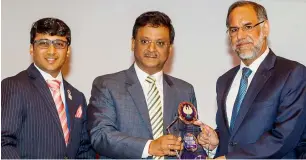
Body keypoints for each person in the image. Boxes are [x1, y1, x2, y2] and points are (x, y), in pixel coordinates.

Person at [194, 1, 306, 159]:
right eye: (234, 30)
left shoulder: (292, 73)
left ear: (265, 28)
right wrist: (216, 140)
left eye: (248, 27)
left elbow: (284, 138)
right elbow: (235, 133)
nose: (240, 36)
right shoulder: (224, 81)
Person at [87, 11, 204, 159]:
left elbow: (191, 141)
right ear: (132, 43)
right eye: (145, 41)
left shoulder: (185, 90)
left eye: (160, 43)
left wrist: (206, 144)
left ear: (170, 49)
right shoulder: (107, 85)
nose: (152, 49)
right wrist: (150, 147)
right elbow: (100, 136)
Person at [1, 17, 95, 159]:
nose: (52, 51)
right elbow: (4, 141)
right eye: (43, 43)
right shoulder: (14, 86)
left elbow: (84, 148)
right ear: (31, 49)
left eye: (59, 44)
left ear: (68, 51)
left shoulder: (77, 97)